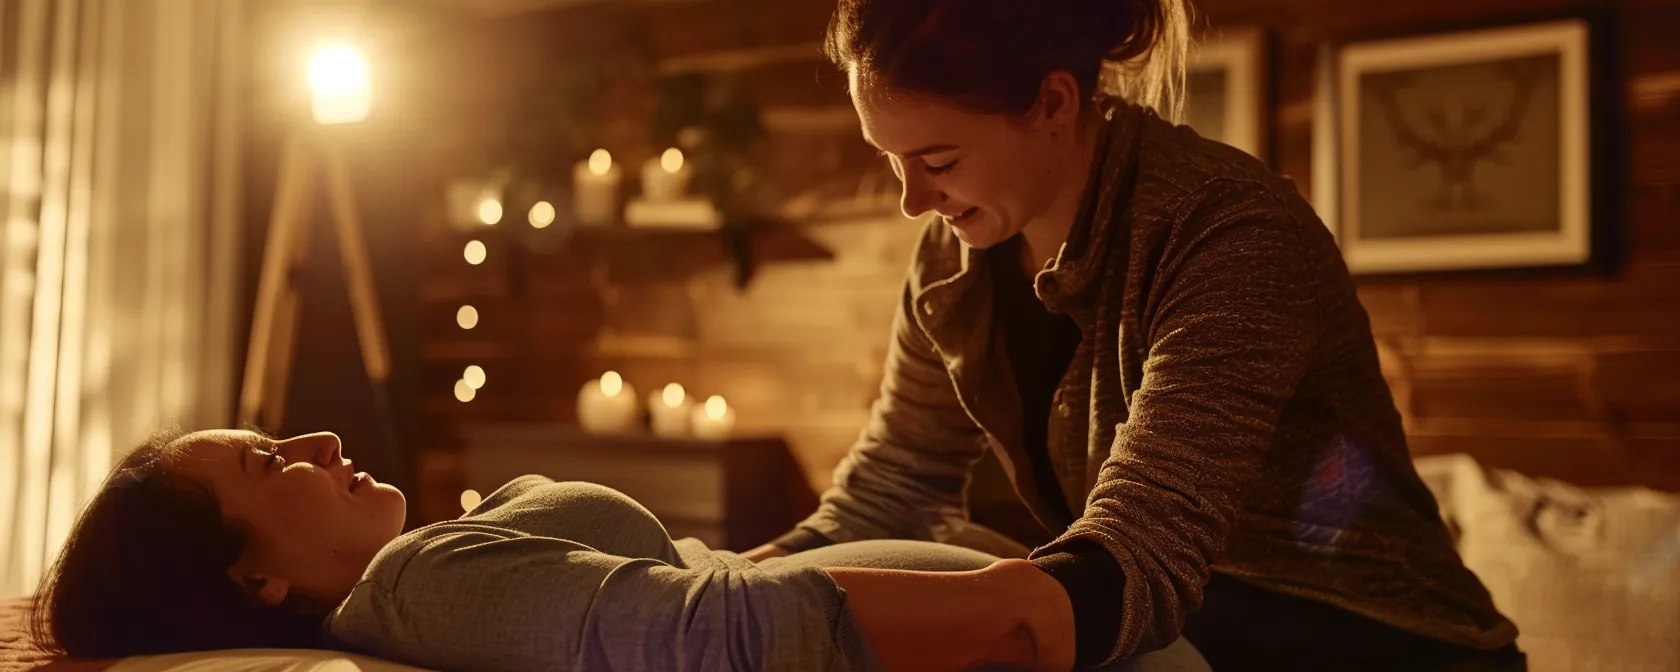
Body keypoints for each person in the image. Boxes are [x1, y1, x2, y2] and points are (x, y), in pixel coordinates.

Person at [738, 0, 1526, 670]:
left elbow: (1142, 547)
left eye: (938, 158)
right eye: (891, 160)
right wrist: (726, 590)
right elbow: (894, 491)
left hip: (1370, 638)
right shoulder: (954, 259)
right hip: (1180, 620)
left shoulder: (1230, 231)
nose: (913, 199)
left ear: (1051, 104)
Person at [30, 428, 1209, 671]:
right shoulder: (423, 588)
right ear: (254, 579)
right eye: (268, 462)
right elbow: (722, 633)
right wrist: (1033, 602)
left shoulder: (420, 578)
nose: (319, 437)